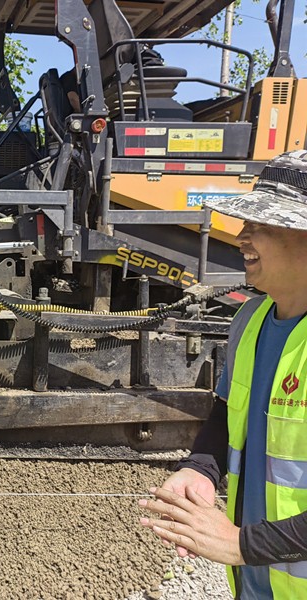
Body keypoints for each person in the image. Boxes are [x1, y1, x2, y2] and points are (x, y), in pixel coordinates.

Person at [139, 149, 307, 599]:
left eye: (263, 223)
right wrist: (201, 468)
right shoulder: (249, 321)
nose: (243, 235)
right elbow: (227, 411)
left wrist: (240, 543)